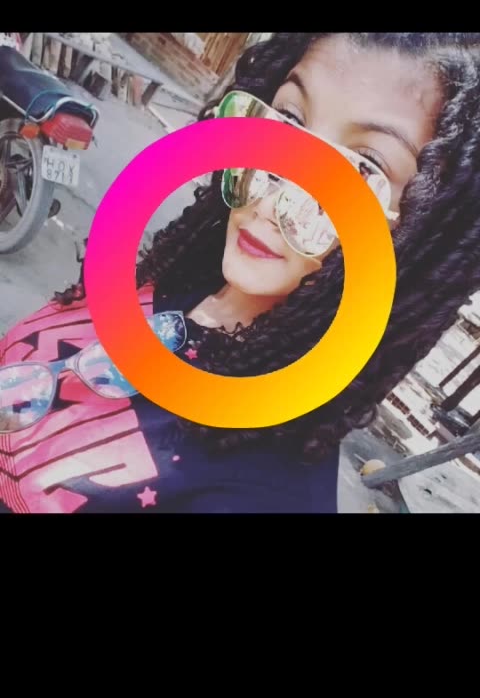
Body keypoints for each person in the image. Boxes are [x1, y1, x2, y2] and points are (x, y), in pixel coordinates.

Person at [1, 32, 480, 514]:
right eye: (289, 120)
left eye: (360, 172)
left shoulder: (264, 496)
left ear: (430, 237)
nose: (270, 203)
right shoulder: (172, 277)